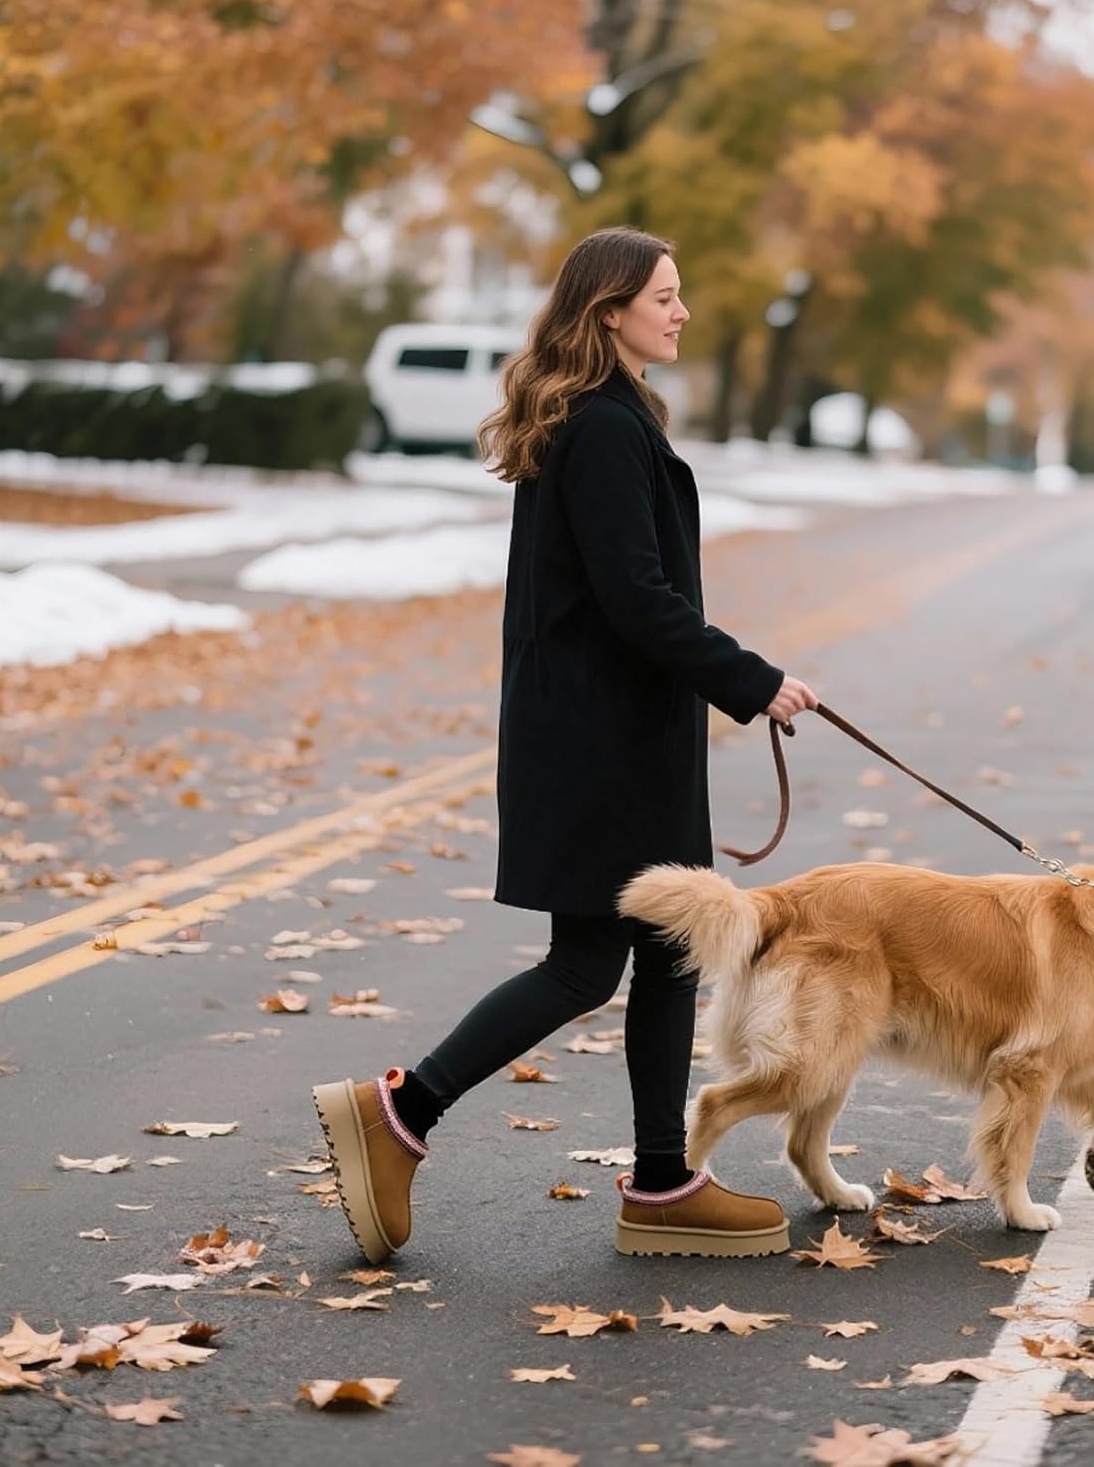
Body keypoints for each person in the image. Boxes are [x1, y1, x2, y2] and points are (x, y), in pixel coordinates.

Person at [313, 226, 819, 1264]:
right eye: (664, 297)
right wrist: (750, 680)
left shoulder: (613, 417)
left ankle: (663, 1182)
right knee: (591, 961)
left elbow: (632, 597)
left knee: (672, 947)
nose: (680, 312)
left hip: (620, 734)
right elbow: (638, 598)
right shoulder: (600, 430)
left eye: (681, 294)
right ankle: (401, 1108)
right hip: (603, 745)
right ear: (608, 312)